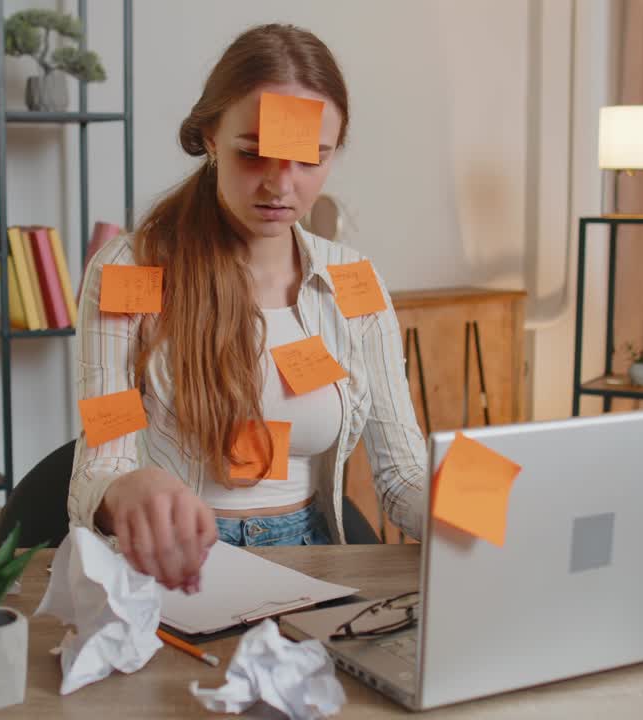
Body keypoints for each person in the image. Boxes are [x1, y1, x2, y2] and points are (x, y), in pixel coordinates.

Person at [68, 23, 427, 594]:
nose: (281, 185)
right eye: (255, 153)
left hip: (315, 562)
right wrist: (123, 493)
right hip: (175, 573)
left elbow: (403, 475)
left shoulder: (353, 282)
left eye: (311, 159)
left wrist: (478, 512)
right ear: (210, 136)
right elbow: (99, 466)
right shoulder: (130, 271)